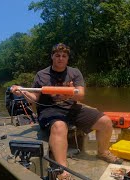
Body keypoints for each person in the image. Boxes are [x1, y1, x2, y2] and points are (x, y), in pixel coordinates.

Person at [11, 43, 123, 179]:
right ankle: (62, 169)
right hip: (49, 110)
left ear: (67, 58)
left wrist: (70, 94)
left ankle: (103, 152)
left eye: (64, 56)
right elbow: (35, 97)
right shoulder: (42, 75)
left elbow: (80, 94)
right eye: (57, 55)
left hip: (71, 108)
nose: (60, 58)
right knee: (59, 126)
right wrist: (22, 91)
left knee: (105, 121)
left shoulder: (74, 72)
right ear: (52, 56)